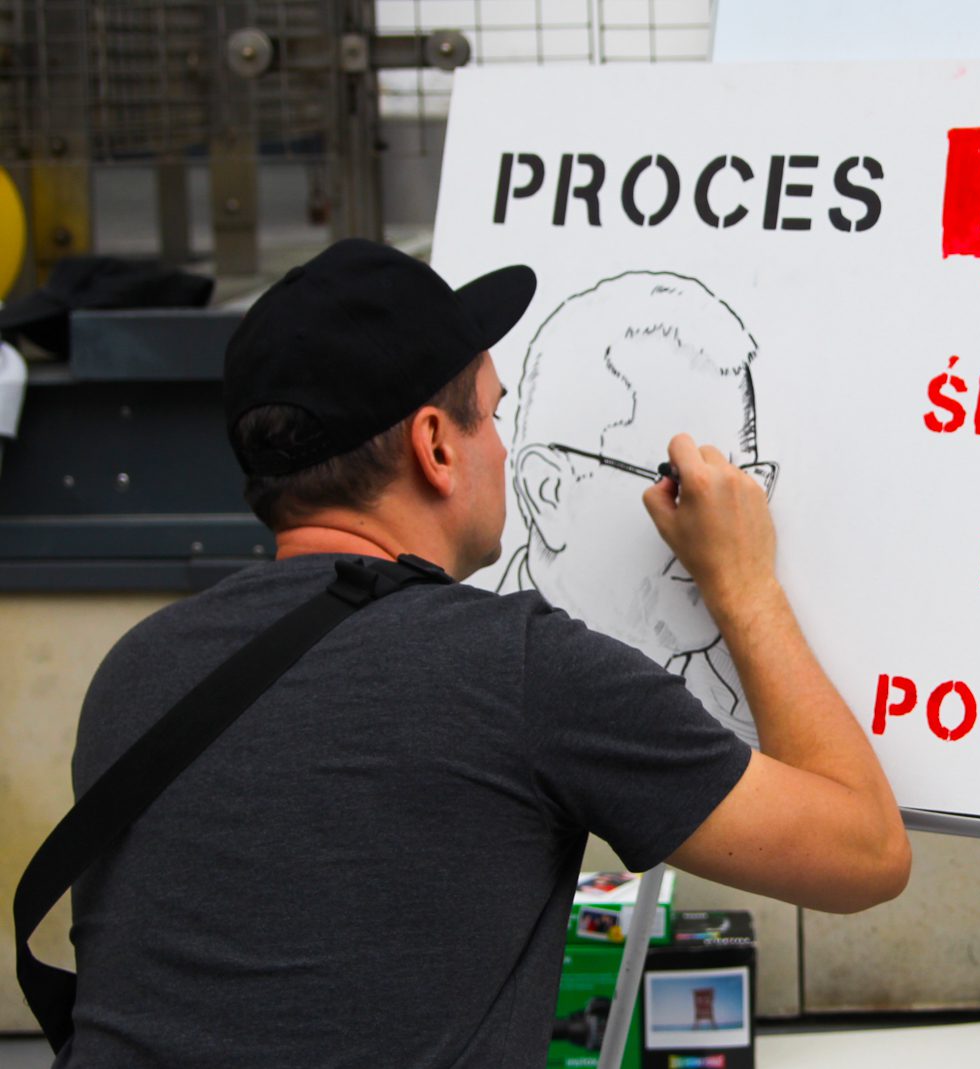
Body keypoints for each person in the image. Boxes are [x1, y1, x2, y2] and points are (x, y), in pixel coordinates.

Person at [56, 239, 908, 1067]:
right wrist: (746, 584)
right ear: (435, 446)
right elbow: (865, 854)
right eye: (494, 415)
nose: (500, 445)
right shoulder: (521, 670)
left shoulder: (135, 671)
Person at [498, 271, 775, 747]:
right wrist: (754, 595)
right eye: (682, 480)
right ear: (549, 491)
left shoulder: (744, 706)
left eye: (739, 482)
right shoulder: (461, 690)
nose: (724, 517)